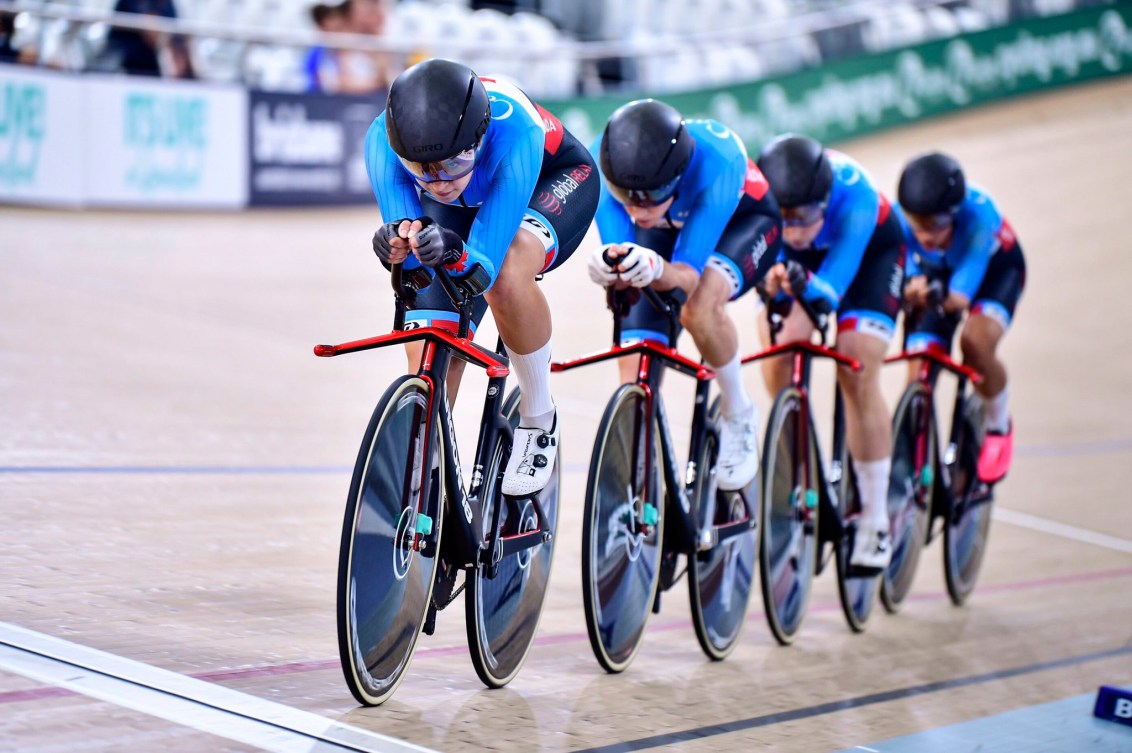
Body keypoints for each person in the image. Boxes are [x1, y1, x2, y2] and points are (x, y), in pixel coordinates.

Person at [366, 58, 600, 496]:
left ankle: (537, 413)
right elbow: (413, 258)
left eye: (451, 163)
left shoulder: (517, 133)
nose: (437, 182)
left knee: (508, 274)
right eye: (421, 169)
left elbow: (482, 268)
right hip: (465, 207)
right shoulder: (382, 140)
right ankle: (429, 483)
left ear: (478, 138)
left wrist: (452, 250)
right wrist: (398, 247)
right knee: (431, 342)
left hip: (549, 182)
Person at [586, 99, 782, 492]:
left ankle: (738, 409)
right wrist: (611, 265)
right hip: (668, 227)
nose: (638, 210)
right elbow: (624, 258)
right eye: (626, 196)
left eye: (651, 194)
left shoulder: (720, 159)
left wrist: (657, 269)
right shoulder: (603, 160)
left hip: (741, 225)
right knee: (636, 357)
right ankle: (641, 476)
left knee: (699, 307)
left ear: (676, 176)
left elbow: (687, 277)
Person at [755, 134, 905, 569]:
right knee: (777, 350)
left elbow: (829, 292)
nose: (795, 228)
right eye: (785, 218)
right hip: (805, 270)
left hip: (868, 260)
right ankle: (806, 463)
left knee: (856, 367)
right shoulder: (764, 204)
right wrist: (770, 286)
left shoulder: (855, 196)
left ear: (825, 199)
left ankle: (875, 520)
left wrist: (798, 285)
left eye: (805, 215)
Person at [895, 151, 1025, 484]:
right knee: (921, 367)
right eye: (917, 224)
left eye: (936, 225)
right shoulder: (900, 217)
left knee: (975, 345)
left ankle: (998, 424)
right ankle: (918, 451)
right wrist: (910, 286)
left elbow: (959, 297)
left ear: (953, 214)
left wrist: (929, 291)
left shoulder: (979, 214)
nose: (925, 235)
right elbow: (905, 270)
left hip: (994, 276)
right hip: (938, 278)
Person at [303, 1, 347, 93]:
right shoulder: (315, 53)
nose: (338, 21)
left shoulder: (345, 49)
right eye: (331, 17)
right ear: (321, 22)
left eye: (340, 15)